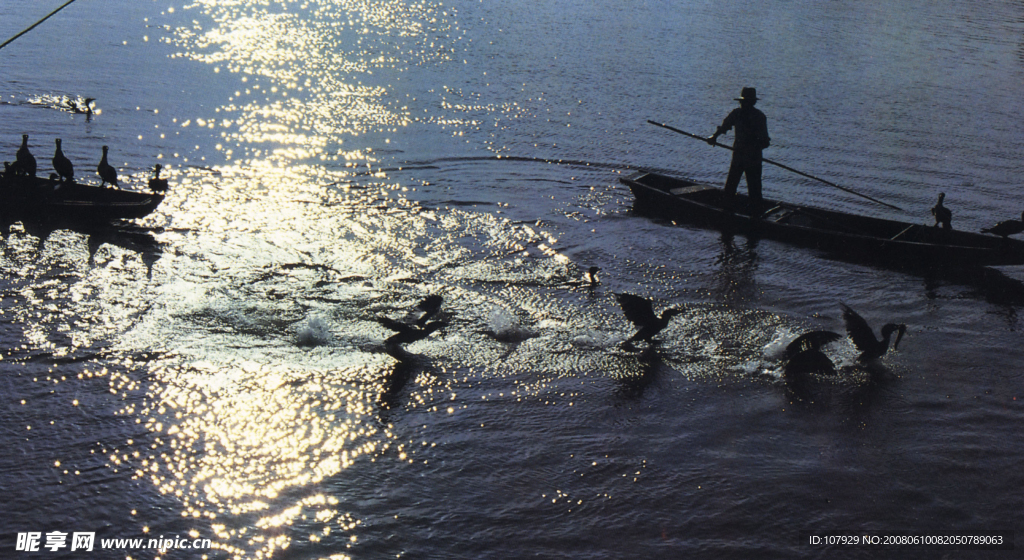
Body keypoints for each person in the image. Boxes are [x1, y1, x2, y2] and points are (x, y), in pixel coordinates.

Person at [707, 87, 771, 208]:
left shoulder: (759, 117)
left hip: (753, 159)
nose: (742, 104)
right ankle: (726, 210)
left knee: (754, 190)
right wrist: (714, 137)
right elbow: (724, 126)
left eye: (745, 101)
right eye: (742, 102)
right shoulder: (736, 114)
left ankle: (755, 214)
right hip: (738, 157)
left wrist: (752, 150)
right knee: (730, 187)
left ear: (752, 103)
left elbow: (765, 142)